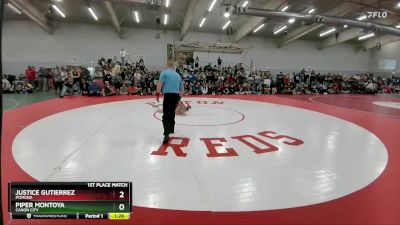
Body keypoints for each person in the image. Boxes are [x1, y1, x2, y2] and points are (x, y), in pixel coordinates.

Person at [156, 61, 184, 144]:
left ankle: (166, 134)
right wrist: (179, 99)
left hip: (168, 95)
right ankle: (171, 129)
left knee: (166, 115)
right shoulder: (178, 75)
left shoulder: (164, 73)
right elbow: (182, 89)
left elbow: (160, 84)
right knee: (172, 113)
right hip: (175, 96)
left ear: (167, 65)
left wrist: (157, 94)